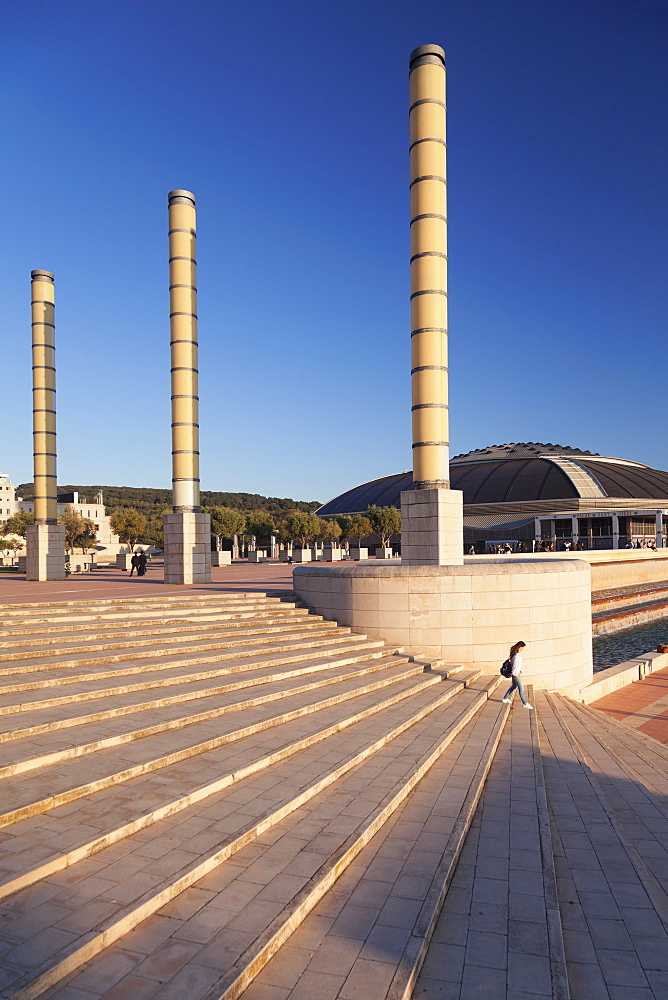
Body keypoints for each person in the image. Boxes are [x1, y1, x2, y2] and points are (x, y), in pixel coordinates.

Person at [501, 640, 533, 709]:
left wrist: (519, 670)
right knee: (521, 688)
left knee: (514, 686)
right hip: (516, 674)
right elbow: (515, 666)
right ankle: (524, 703)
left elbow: (514, 665)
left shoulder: (514, 655)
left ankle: (505, 698)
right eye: (522, 648)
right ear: (519, 647)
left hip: (516, 672)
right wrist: (516, 674)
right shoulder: (516, 656)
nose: (523, 649)